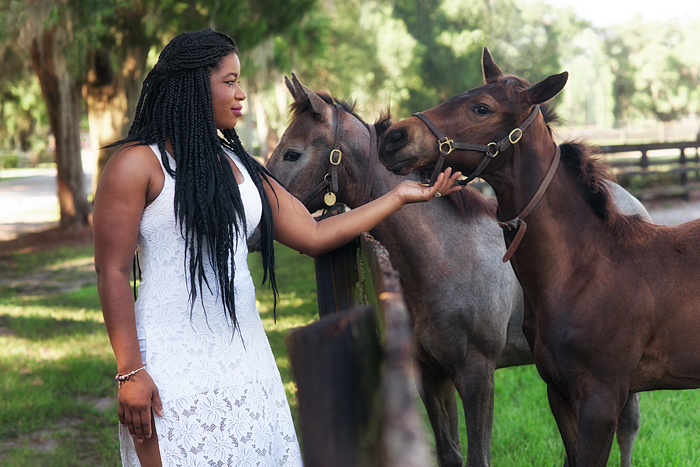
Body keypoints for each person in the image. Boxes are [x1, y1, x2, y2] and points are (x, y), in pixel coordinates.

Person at [93, 29, 461, 467]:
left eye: (239, 81)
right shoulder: (137, 165)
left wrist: (399, 196)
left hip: (247, 360)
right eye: (229, 81)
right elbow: (112, 272)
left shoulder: (241, 167)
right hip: (171, 368)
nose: (241, 93)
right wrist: (131, 371)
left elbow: (314, 234)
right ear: (194, 85)